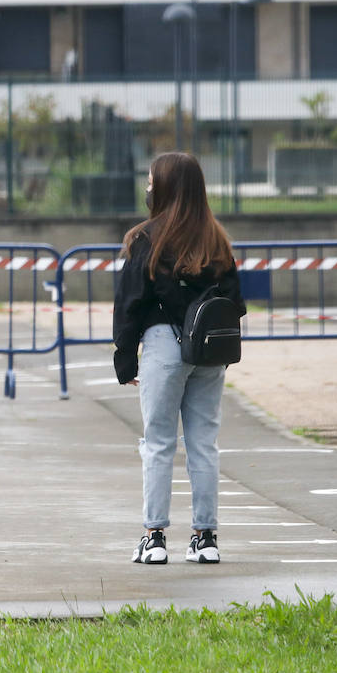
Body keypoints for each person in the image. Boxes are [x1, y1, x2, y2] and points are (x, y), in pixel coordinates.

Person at [113, 152, 245, 566]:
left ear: (166, 187)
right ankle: (205, 538)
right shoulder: (217, 240)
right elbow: (235, 303)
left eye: (152, 181)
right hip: (209, 349)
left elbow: (130, 303)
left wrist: (124, 357)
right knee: (203, 443)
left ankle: (153, 538)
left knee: (158, 443)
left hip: (163, 346)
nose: (148, 187)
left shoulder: (146, 238)